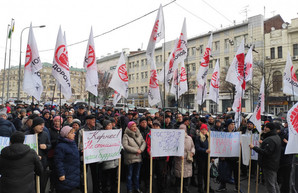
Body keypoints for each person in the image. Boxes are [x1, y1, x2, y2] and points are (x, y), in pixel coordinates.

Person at [249, 122, 281, 193]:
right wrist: (263, 143)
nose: (264, 128)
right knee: (274, 183)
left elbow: (266, 152)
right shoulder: (276, 137)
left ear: (270, 129)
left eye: (266, 127)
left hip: (269, 164)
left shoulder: (270, 139)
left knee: (270, 185)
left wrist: (254, 147)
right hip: (274, 164)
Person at [25, 116, 51, 193]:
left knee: (41, 185)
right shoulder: (26, 135)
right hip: (30, 165)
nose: (42, 126)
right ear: (34, 125)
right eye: (40, 125)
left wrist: (46, 146)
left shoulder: (45, 134)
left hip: (42, 163)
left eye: (43, 124)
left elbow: (49, 145)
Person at [54, 126, 80, 193]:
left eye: (74, 133)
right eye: (72, 133)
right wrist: (61, 174)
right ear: (66, 134)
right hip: (66, 174)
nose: (74, 134)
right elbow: (58, 161)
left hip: (73, 173)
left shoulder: (73, 143)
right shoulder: (61, 146)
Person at [122, 121, 146, 193]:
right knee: (129, 175)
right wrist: (136, 150)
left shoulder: (138, 134)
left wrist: (141, 150)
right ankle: (129, 189)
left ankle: (137, 187)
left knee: (137, 175)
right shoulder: (126, 135)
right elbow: (125, 146)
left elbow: (143, 142)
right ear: (129, 127)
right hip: (130, 158)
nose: (134, 127)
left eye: (135, 126)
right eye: (132, 126)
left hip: (138, 158)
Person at [146, 120, 168, 193]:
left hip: (161, 158)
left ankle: (161, 189)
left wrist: (167, 157)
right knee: (151, 174)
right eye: (154, 126)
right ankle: (150, 188)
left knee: (161, 175)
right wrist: (149, 151)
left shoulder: (164, 134)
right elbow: (148, 144)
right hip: (153, 157)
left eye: (157, 126)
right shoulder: (149, 134)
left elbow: (166, 146)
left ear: (159, 127)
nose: (155, 127)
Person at [174, 124, 195, 193]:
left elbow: (193, 147)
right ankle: (178, 190)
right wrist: (178, 155)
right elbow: (173, 149)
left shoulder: (189, 138)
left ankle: (185, 189)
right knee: (179, 177)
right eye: (180, 129)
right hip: (179, 160)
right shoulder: (176, 138)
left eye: (183, 129)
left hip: (188, 159)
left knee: (186, 177)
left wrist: (192, 152)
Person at [195, 124, 214, 193]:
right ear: (200, 130)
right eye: (202, 130)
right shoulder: (198, 137)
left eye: (205, 130)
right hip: (200, 158)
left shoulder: (209, 137)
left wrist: (212, 157)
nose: (204, 131)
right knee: (200, 173)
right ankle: (200, 187)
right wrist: (205, 150)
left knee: (207, 173)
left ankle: (207, 186)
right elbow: (197, 148)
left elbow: (212, 147)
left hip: (207, 158)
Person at [101, 120, 119, 193]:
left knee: (114, 179)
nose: (111, 126)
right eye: (108, 125)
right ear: (105, 127)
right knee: (105, 179)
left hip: (115, 161)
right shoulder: (101, 136)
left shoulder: (115, 134)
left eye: (111, 125)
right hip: (106, 161)